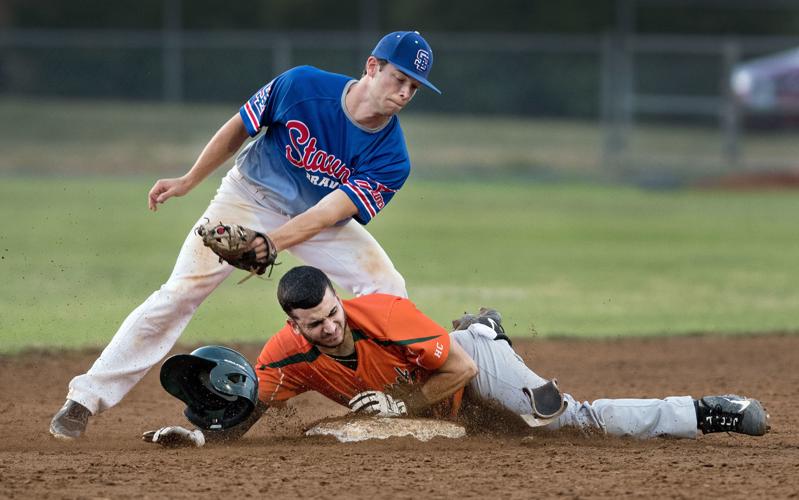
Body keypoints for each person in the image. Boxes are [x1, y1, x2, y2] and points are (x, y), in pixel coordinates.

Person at [50, 30, 443, 440]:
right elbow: (239, 127)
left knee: (386, 287)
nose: (404, 93)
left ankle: (400, 396)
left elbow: (330, 212)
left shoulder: (392, 157)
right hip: (247, 198)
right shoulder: (302, 86)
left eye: (414, 87)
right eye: (399, 78)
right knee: (180, 291)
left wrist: (272, 243)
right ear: (372, 67)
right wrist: (189, 180)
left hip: (318, 219)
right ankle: (84, 399)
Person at [143, 266, 770, 447]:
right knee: (480, 430)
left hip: (463, 361)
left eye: (333, 313)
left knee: (556, 420)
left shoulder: (384, 314)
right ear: (293, 324)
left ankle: (705, 411)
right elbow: (250, 405)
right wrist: (200, 434)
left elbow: (457, 373)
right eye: (315, 324)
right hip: (445, 403)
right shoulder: (288, 356)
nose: (329, 328)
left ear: (340, 301)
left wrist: (398, 402)